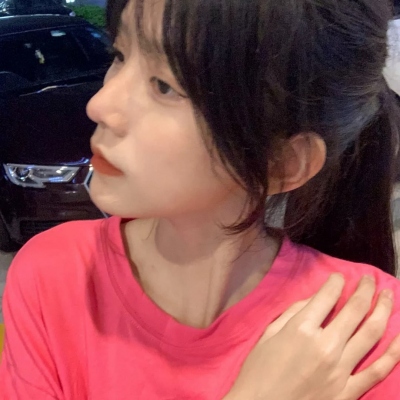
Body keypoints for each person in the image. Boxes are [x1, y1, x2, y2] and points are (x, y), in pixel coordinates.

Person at [1, 0, 400, 398]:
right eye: (119, 55)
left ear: (282, 163)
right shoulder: (54, 273)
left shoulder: (363, 330)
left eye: (164, 86)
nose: (99, 104)